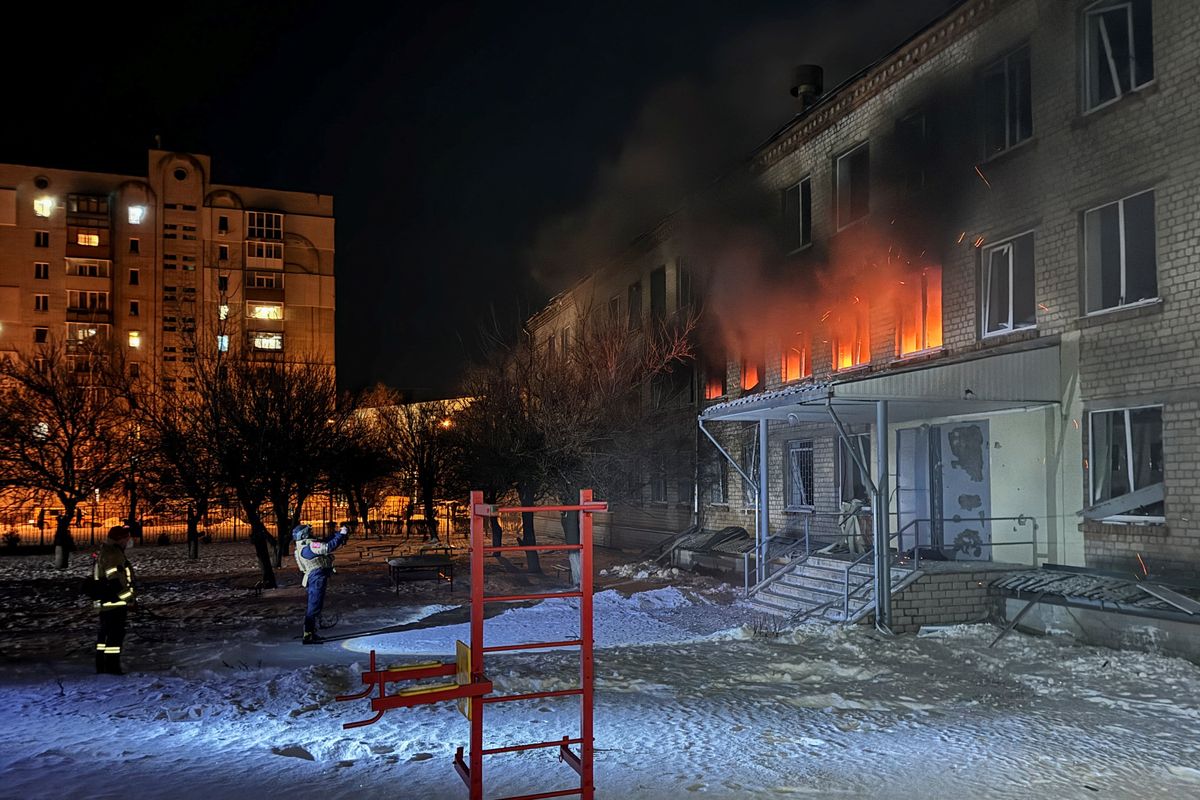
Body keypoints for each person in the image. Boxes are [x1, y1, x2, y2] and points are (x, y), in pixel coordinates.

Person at [294, 521, 351, 644]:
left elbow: (325, 541)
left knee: (314, 605)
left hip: (315, 576)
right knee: (314, 606)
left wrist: (339, 533)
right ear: (303, 535)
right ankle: (308, 635)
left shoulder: (305, 545)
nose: (312, 533)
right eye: (309, 532)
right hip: (316, 577)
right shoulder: (308, 547)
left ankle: (310, 632)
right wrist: (341, 535)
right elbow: (327, 547)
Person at [94, 525, 136, 675]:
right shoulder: (113, 554)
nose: (128, 541)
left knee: (104, 636)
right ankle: (112, 668)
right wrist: (129, 599)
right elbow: (116, 581)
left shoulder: (107, 550)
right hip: (114, 602)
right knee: (114, 637)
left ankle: (102, 666)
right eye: (127, 538)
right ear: (120, 539)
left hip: (107, 601)